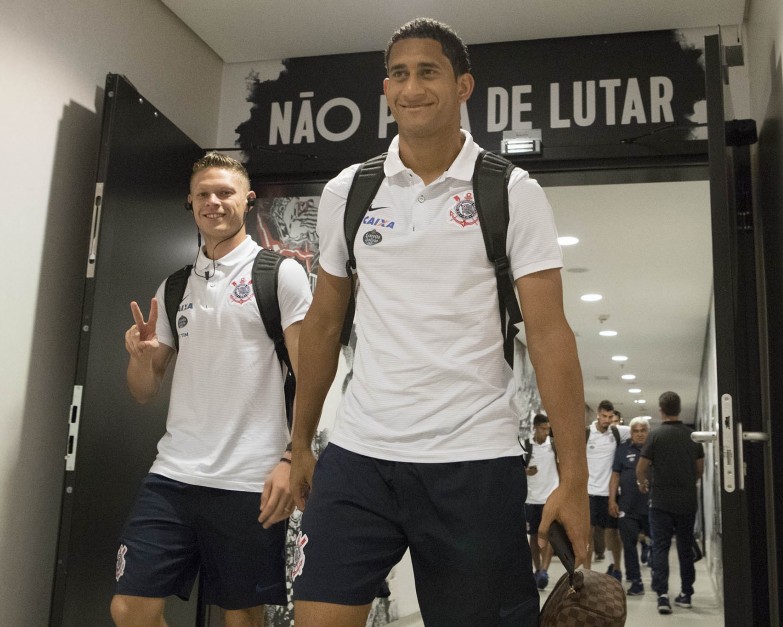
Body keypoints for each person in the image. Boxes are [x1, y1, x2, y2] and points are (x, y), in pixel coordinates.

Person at [288, 17, 589, 626]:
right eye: (398, 73)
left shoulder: (511, 190)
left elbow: (550, 334)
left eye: (428, 71)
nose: (411, 86)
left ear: (463, 86)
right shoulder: (348, 191)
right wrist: (298, 444)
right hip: (360, 454)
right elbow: (322, 325)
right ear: (386, 89)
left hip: (473, 458)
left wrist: (574, 479)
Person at [112, 152, 312, 627]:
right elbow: (144, 391)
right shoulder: (175, 286)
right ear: (190, 202)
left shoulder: (278, 274)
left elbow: (311, 376)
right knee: (130, 606)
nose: (214, 202)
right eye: (203, 193)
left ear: (248, 198)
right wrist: (139, 359)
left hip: (249, 479)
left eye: (225, 192)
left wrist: (291, 458)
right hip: (173, 474)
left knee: (241, 614)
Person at [636, 391, 705, 615]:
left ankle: (662, 595)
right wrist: (686, 482)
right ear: (679, 408)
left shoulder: (655, 436)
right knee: (685, 548)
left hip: (660, 503)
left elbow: (641, 467)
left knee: (660, 547)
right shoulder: (692, 436)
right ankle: (686, 594)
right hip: (686, 502)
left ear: (661, 409)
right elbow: (699, 470)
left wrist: (643, 484)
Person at [585, 400, 629, 580]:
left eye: (611, 417)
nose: (607, 420)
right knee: (588, 533)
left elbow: (641, 431)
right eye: (604, 416)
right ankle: (586, 572)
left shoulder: (618, 432)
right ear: (598, 414)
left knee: (613, 533)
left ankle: (617, 569)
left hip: (611, 493)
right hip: (590, 492)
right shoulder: (586, 433)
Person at [608, 416, 651, 595]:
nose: (639, 434)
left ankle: (659, 582)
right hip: (627, 506)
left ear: (647, 433)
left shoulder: (654, 448)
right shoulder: (622, 450)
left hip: (652, 506)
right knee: (629, 545)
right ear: (631, 433)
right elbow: (615, 476)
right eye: (636, 431)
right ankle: (636, 581)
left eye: (643, 431)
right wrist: (611, 500)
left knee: (657, 546)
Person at [523, 414, 560, 590]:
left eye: (548, 428)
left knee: (548, 534)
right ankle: (537, 569)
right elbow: (519, 470)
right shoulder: (527, 446)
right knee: (534, 537)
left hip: (550, 498)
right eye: (543, 428)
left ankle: (544, 570)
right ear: (535, 428)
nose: (546, 432)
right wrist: (526, 472)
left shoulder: (553, 446)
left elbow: (561, 469)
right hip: (531, 498)